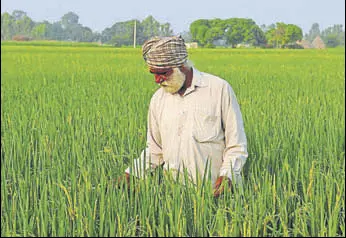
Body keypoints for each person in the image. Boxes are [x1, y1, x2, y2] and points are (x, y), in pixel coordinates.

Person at [119, 35, 248, 198]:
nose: (157, 80)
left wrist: (227, 176)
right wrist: (130, 175)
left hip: (217, 195)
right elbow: (154, 150)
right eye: (154, 74)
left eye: (163, 73)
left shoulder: (218, 89)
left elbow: (236, 145)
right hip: (174, 198)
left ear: (181, 66)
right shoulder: (158, 100)